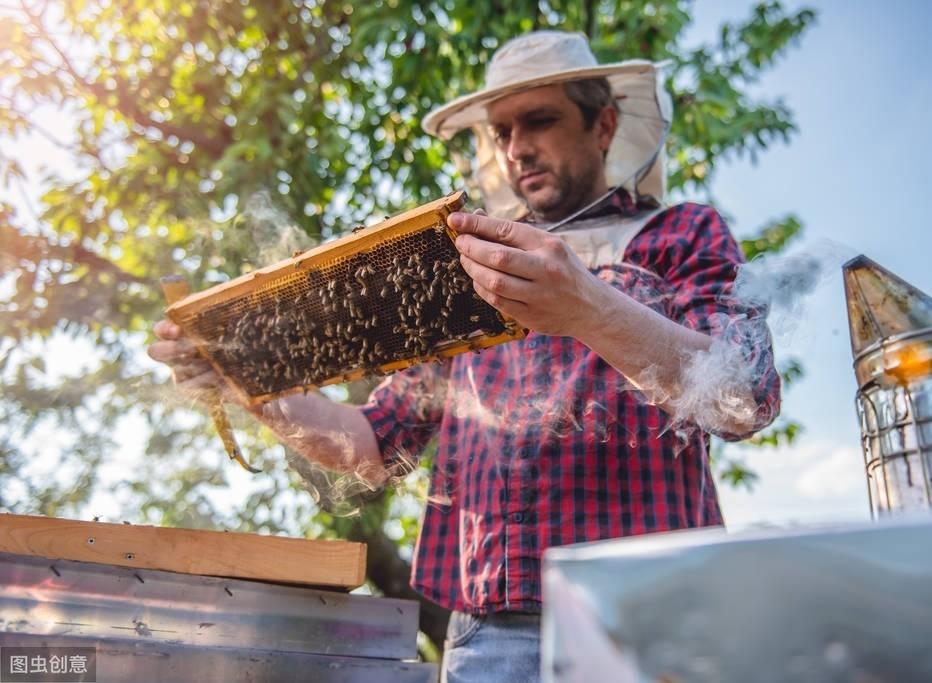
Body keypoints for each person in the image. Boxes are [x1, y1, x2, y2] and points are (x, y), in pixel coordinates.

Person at [148, 30, 780, 683]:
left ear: (604, 125)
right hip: (489, 634)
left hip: (655, 616)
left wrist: (588, 305)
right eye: (501, 130)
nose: (515, 147)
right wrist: (245, 380)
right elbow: (368, 445)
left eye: (539, 119)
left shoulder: (681, 233)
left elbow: (743, 395)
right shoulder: (467, 269)